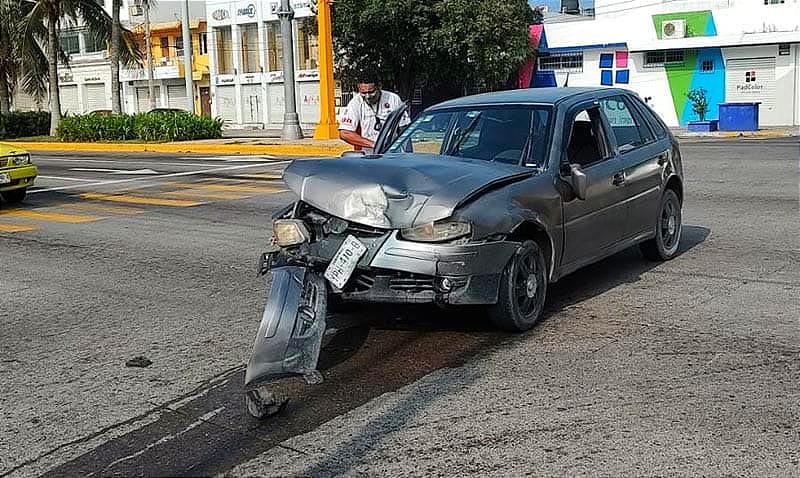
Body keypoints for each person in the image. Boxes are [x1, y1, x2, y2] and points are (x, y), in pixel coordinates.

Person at [338, 75, 411, 154]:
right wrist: (375, 145)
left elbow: (405, 129)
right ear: (358, 88)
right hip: (369, 155)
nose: (367, 96)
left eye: (371, 92)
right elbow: (344, 133)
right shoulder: (355, 103)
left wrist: (409, 154)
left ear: (379, 86)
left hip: (393, 153)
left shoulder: (393, 99)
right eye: (363, 93)